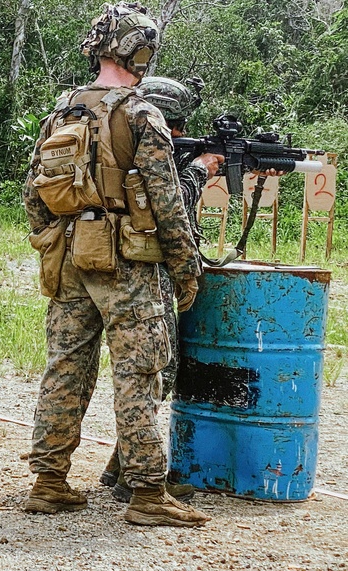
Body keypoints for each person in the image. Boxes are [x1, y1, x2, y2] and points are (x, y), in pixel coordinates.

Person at [23, 2, 210, 527]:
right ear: (142, 51)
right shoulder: (140, 113)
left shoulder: (63, 111)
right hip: (127, 265)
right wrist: (184, 267)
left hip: (70, 259)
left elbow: (34, 192)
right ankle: (148, 493)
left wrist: (53, 243)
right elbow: (167, 202)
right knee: (139, 374)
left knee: (65, 369)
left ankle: (49, 481)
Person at [98, 76, 225, 502]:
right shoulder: (142, 143)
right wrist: (197, 172)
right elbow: (165, 205)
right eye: (175, 124)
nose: (176, 133)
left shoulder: (107, 135)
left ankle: (121, 467)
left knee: (139, 374)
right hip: (141, 270)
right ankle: (140, 479)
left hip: (100, 264)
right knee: (153, 373)